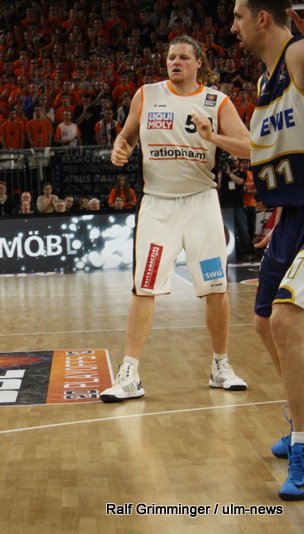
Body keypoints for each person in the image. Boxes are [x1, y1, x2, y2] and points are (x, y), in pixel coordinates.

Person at [101, 35, 251, 404]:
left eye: (183, 57)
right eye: (171, 57)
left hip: (201, 203)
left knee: (216, 288)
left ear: (199, 62)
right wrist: (120, 148)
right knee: (144, 287)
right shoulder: (147, 95)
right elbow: (126, 138)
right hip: (158, 205)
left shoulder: (217, 102)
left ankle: (221, 365)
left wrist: (212, 136)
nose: (175, 62)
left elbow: (250, 147)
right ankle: (130, 373)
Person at [232, 0, 304, 500]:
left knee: (287, 321)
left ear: (262, 18)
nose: (232, 26)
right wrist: (216, 138)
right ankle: (301, 417)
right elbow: (264, 151)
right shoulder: (265, 83)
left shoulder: (299, 54)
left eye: (239, 15)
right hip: (290, 215)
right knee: (264, 323)